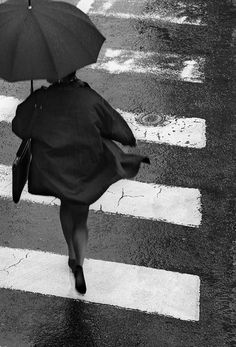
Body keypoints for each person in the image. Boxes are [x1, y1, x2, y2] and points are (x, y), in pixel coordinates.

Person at [12, 71, 150, 294]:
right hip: (84, 169)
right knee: (80, 216)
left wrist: (32, 102)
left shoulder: (41, 99)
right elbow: (114, 125)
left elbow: (20, 127)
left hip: (56, 171)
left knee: (66, 207)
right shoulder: (89, 98)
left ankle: (71, 255)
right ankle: (79, 263)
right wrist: (128, 139)